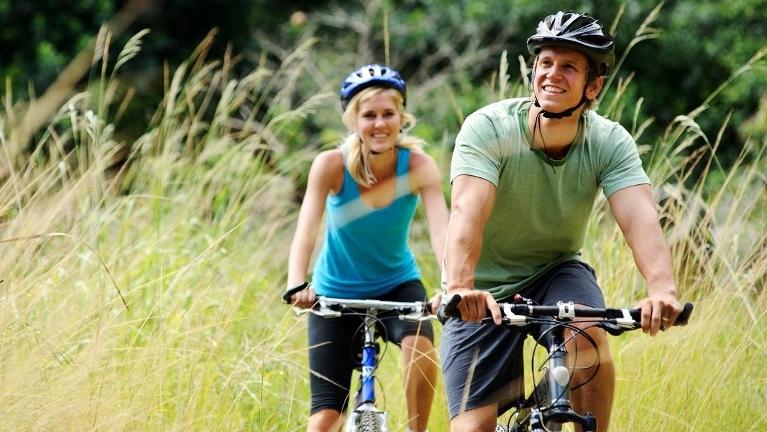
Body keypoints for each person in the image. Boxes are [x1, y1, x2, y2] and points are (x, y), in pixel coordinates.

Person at [439, 11, 684, 432]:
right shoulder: (489, 128)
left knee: (589, 333)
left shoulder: (608, 141)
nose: (553, 74)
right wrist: (461, 287)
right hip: (481, 287)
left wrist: (661, 290)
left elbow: (639, 215)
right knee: (471, 428)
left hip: (555, 270)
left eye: (569, 66)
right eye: (546, 63)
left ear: (593, 86)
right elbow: (467, 211)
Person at [284, 64, 449, 432]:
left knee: (420, 349)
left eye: (388, 114)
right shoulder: (331, 165)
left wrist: (450, 286)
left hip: (397, 286)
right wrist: (297, 283)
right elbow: (305, 232)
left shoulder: (419, 166)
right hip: (334, 295)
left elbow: (443, 233)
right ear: (352, 120)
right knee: (325, 420)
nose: (379, 124)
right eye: (368, 115)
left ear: (401, 117)